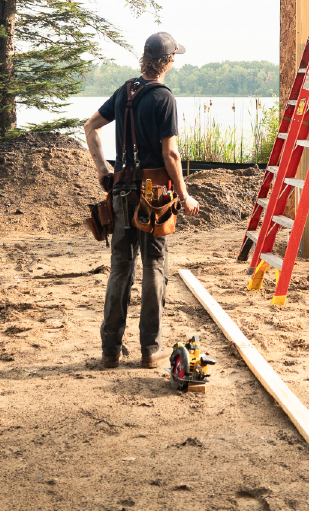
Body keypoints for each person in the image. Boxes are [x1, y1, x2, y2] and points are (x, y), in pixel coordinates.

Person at [84, 31, 200, 370]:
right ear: (167, 61)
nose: (175, 60)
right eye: (173, 56)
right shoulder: (164, 97)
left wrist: (102, 169)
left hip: (120, 195)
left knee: (120, 268)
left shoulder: (125, 92)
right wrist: (185, 195)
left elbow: (91, 127)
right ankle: (149, 349)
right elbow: (171, 154)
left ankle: (109, 351)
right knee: (153, 266)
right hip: (155, 199)